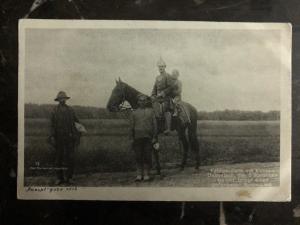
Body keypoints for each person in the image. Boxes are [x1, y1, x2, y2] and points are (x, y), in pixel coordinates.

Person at [49, 91, 80, 185]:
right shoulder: (54, 111)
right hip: (59, 139)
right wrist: (52, 137)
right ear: (58, 100)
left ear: (66, 99)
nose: (62, 100)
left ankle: (69, 177)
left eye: (64, 98)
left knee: (70, 158)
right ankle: (59, 178)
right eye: (60, 98)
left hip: (70, 138)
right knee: (58, 158)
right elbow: (52, 125)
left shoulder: (71, 110)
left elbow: (77, 123)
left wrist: (78, 135)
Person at [130, 94, 158, 181]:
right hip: (137, 138)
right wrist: (131, 138)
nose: (142, 102)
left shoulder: (151, 111)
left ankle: (146, 174)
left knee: (147, 156)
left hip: (148, 138)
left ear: (146, 102)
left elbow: (155, 125)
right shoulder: (134, 112)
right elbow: (131, 127)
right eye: (140, 100)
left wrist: (154, 137)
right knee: (138, 156)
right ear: (138, 102)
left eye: (144, 100)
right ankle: (139, 174)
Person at [151, 57, 174, 135]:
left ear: (165, 67)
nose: (160, 68)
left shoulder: (168, 76)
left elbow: (171, 87)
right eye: (159, 67)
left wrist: (163, 93)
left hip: (166, 98)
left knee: (165, 109)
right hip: (157, 98)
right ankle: (156, 128)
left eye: (162, 66)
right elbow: (154, 88)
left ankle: (168, 128)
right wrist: (152, 95)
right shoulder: (157, 77)